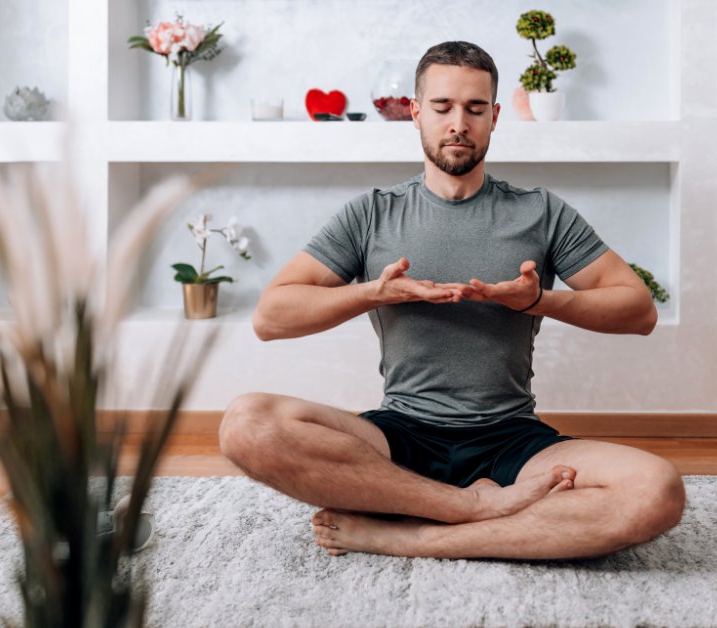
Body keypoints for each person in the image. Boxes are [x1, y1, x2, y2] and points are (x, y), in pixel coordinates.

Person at [219, 41, 685, 560]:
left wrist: (537, 302)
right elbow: (271, 317)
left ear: (494, 117)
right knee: (246, 422)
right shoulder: (371, 214)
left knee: (656, 490)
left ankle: (416, 536)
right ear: (416, 113)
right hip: (399, 437)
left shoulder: (541, 212)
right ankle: (470, 507)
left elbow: (638, 311)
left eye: (475, 108)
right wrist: (375, 291)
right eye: (442, 107)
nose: (458, 122)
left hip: (512, 438)